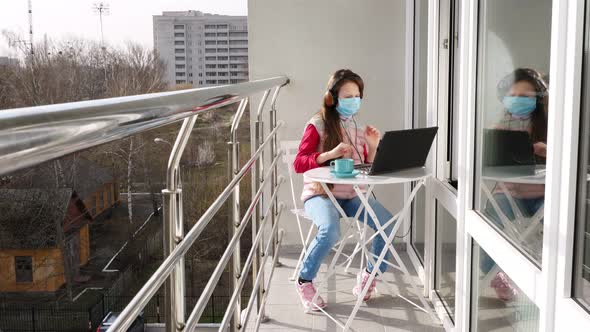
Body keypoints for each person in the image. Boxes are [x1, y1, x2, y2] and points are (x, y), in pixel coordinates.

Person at [292, 69, 395, 311]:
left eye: (357, 95)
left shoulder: (357, 127)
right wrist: (330, 154)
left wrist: (372, 147)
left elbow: (364, 168)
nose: (354, 101)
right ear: (332, 98)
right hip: (320, 194)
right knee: (329, 230)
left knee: (387, 225)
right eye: (347, 96)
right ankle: (304, 280)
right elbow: (299, 163)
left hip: (351, 195)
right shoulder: (317, 124)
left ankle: (369, 276)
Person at [482, 68, 548, 301]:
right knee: (488, 225)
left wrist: (546, 150)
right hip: (509, 193)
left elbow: (572, 159)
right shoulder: (498, 124)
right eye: (514, 95)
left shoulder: (551, 124)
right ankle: (497, 275)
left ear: (538, 98)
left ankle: (544, 278)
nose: (519, 100)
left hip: (543, 195)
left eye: (526, 96)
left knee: (557, 225)